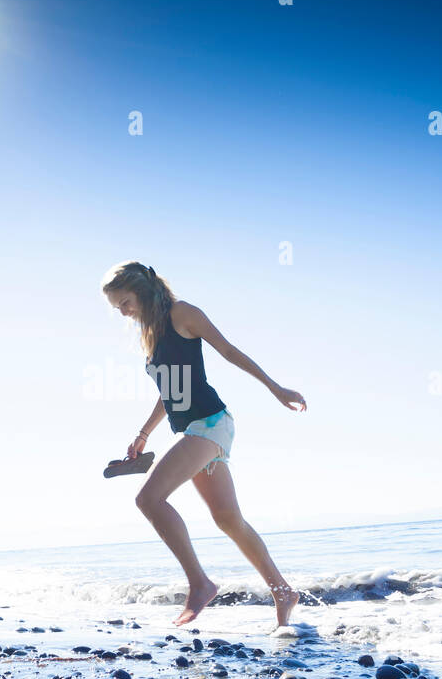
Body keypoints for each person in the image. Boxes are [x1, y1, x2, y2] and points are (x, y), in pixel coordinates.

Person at [102, 261, 307, 628]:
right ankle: (282, 591)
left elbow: (229, 351)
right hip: (195, 429)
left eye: (125, 302)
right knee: (228, 519)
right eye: (118, 307)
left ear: (142, 289)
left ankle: (200, 583)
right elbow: (171, 393)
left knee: (148, 499)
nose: (123, 311)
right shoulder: (151, 334)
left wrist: (276, 388)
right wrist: (144, 434)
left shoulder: (183, 314)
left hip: (210, 423)